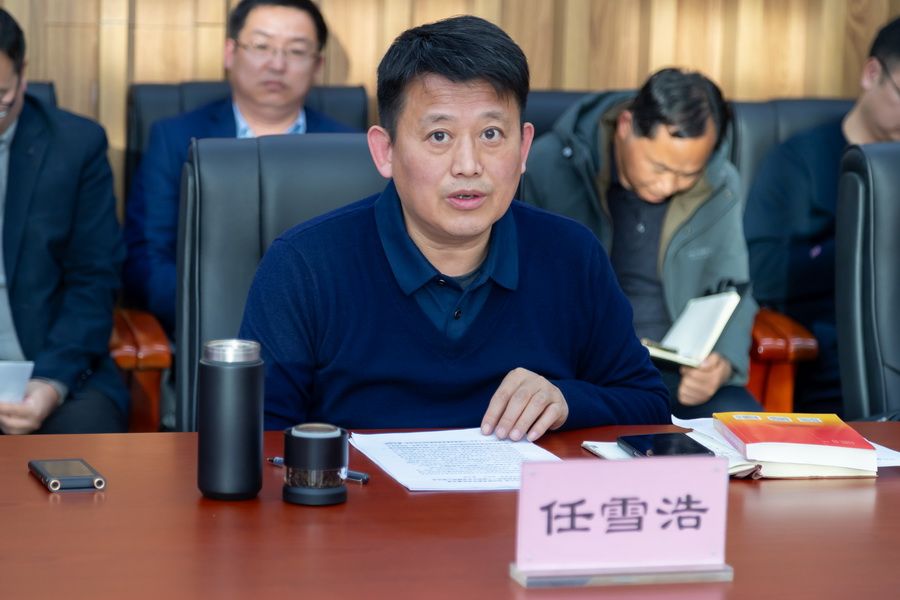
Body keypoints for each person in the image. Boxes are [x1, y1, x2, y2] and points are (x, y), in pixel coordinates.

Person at [239, 15, 670, 439]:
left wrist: (567, 400)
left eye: (491, 134)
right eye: (439, 136)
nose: (468, 165)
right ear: (385, 151)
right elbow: (255, 435)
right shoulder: (303, 266)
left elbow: (648, 403)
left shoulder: (571, 254)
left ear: (523, 148)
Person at [521, 68, 760, 419]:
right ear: (626, 125)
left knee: (744, 433)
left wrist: (722, 364)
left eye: (687, 174)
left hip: (678, 372)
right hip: (581, 369)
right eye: (658, 167)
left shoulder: (719, 184)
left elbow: (735, 287)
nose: (667, 185)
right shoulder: (551, 167)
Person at [124, 0, 357, 337]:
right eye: (261, 46)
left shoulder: (348, 148)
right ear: (230, 53)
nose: (277, 64)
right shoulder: (175, 138)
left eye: (296, 51)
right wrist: (223, 315)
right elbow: (145, 262)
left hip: (320, 335)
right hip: (210, 336)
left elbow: (358, 259)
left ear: (317, 64)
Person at [743, 17, 900, 415]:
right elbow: (763, 271)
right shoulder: (801, 162)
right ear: (872, 74)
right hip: (833, 347)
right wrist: (855, 246)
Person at [0, 9, 128, 434]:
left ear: (22, 75)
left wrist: (49, 385)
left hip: (50, 365)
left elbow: (93, 280)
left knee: (87, 441)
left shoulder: (75, 147)